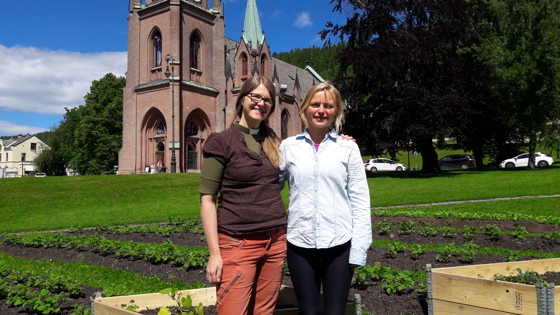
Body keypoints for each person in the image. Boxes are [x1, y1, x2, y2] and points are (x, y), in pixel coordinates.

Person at [279, 82, 372, 315]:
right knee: (308, 312)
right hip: (300, 245)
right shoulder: (288, 147)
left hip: (338, 245)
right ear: (305, 108)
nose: (321, 110)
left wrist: (359, 248)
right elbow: (270, 188)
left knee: (335, 312)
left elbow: (360, 199)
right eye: (316, 104)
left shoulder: (347, 148)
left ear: (336, 111)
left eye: (328, 106)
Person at [199, 75, 287, 315]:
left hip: (276, 241)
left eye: (267, 100)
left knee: (264, 312)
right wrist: (215, 254)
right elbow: (207, 199)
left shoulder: (275, 142)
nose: (261, 103)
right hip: (239, 242)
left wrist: (340, 140)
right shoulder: (222, 142)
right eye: (255, 96)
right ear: (242, 98)